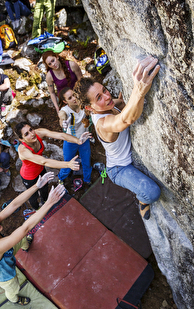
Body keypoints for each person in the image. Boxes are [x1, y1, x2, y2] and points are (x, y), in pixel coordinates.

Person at [74, 56, 161, 220]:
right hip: (118, 169)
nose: (107, 97)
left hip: (125, 158)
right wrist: (139, 88)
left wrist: (122, 100)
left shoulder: (107, 104)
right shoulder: (102, 124)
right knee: (152, 193)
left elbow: (120, 104)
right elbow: (126, 120)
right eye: (98, 98)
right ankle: (142, 201)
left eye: (104, 90)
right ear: (89, 108)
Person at [0, 174, 65, 305]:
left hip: (8, 251)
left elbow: (13, 204)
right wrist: (49, 203)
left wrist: (37, 186)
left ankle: (25, 246)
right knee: (14, 288)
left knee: (21, 238)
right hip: (5, 276)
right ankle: (14, 299)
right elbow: (25, 228)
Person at [15, 121, 91, 210]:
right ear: (21, 139)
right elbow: (44, 161)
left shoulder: (38, 133)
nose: (32, 134)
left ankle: (46, 203)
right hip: (29, 176)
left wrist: (78, 141)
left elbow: (61, 135)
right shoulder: (23, 151)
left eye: (31, 129)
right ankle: (36, 209)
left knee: (44, 188)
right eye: (26, 134)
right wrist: (68, 164)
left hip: (41, 169)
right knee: (33, 195)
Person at [58, 87, 92, 188]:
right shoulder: (65, 110)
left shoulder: (83, 104)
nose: (74, 98)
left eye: (74, 95)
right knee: (68, 163)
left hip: (84, 139)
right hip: (70, 141)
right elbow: (62, 114)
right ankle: (61, 178)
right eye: (70, 98)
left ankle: (87, 181)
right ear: (65, 101)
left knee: (87, 161)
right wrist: (63, 121)